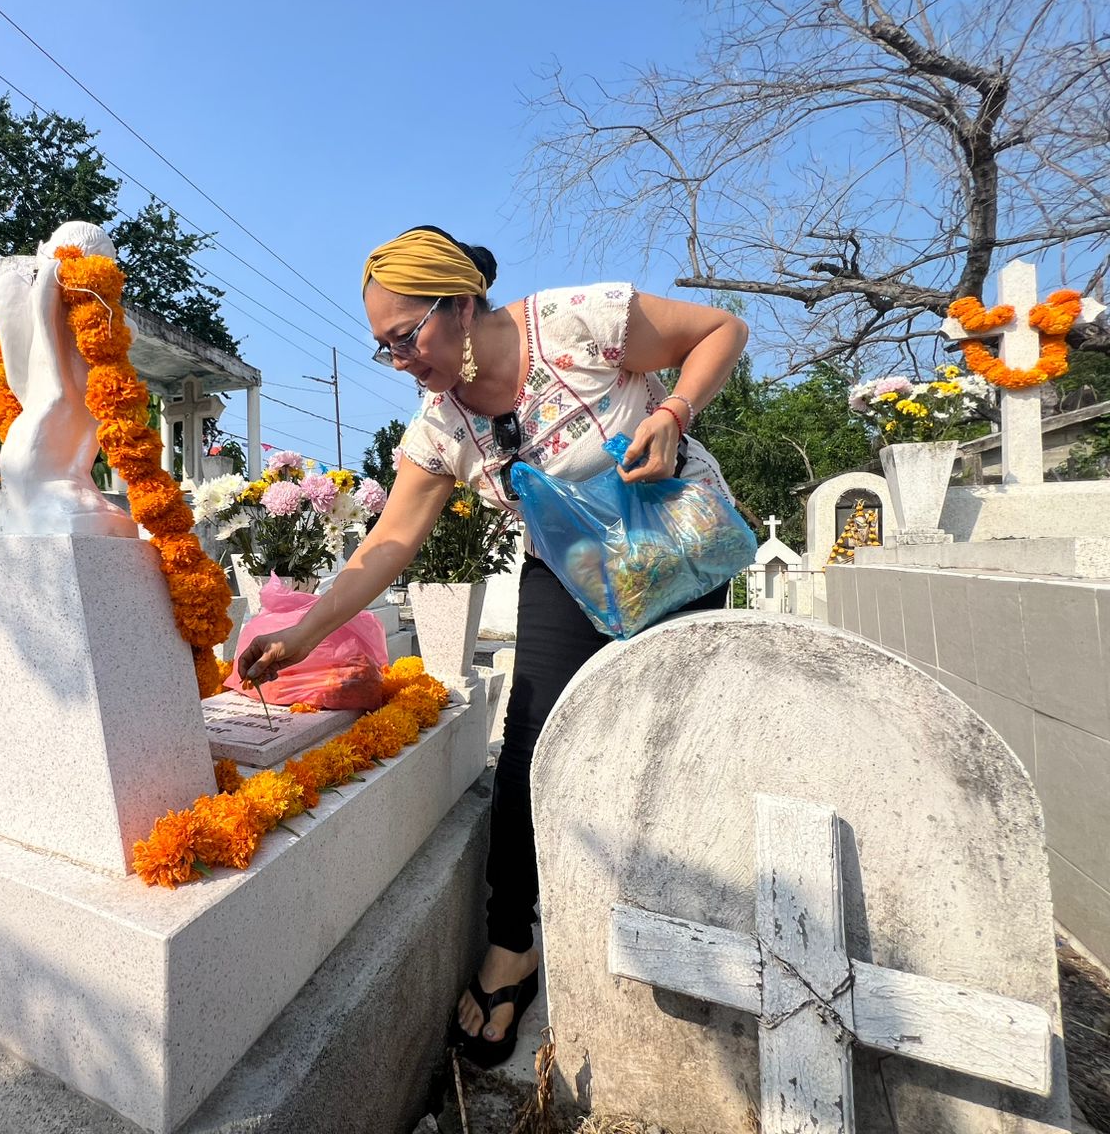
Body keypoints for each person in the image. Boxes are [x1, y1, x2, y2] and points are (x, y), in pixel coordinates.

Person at [237, 226, 747, 1066]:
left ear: (463, 305)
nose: (400, 360)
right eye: (384, 348)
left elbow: (721, 330)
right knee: (527, 753)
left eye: (408, 336)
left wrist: (672, 409)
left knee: (669, 733)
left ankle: (680, 906)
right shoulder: (439, 427)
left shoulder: (575, 322)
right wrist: (301, 633)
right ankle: (514, 941)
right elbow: (388, 542)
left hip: (674, 551)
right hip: (570, 573)